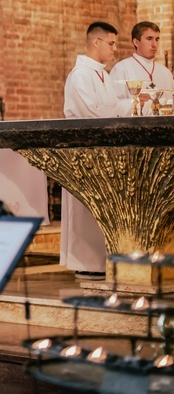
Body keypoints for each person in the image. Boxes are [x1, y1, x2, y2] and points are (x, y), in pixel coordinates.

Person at [62, 22, 130, 280]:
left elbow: (111, 106)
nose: (114, 48)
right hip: (85, 148)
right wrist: (124, 108)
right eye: (111, 43)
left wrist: (134, 103)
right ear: (96, 42)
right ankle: (86, 262)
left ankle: (103, 261)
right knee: (85, 210)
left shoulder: (103, 74)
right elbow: (92, 113)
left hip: (104, 147)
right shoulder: (80, 74)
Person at [110, 21, 174, 114]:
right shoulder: (121, 69)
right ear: (136, 42)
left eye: (157, 39)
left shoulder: (165, 72)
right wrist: (135, 103)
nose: (154, 44)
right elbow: (112, 106)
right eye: (149, 39)